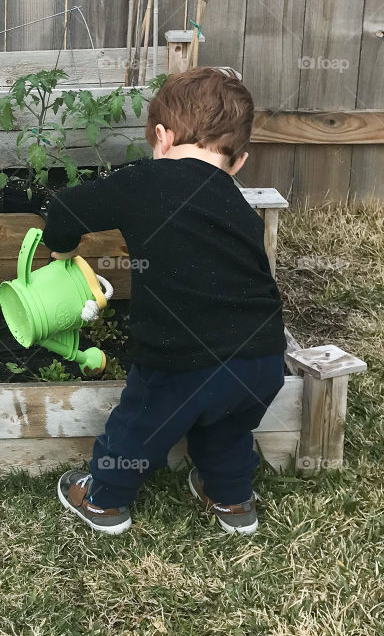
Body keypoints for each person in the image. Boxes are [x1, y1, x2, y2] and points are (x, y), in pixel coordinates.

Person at [42, 68, 286, 537]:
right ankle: (233, 502)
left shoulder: (147, 179)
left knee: (138, 427)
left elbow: (66, 208)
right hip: (261, 358)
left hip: (180, 359)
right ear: (239, 162)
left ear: (161, 136)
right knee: (229, 429)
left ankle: (103, 500)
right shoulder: (239, 207)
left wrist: (64, 249)